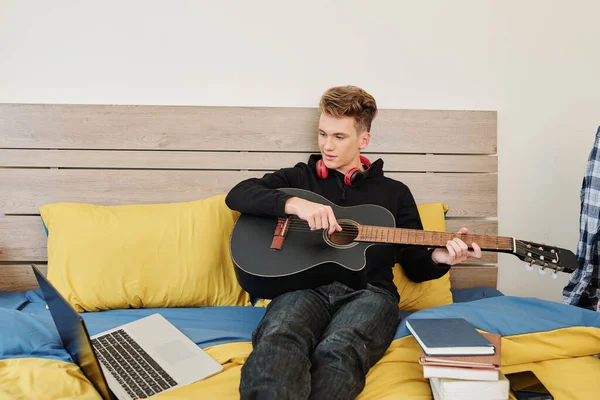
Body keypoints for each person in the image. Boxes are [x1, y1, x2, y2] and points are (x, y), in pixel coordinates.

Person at [225, 85, 482, 400]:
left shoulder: (394, 192)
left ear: (364, 140)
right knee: (279, 337)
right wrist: (294, 204)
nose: (326, 146)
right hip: (303, 289)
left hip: (370, 293)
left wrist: (442, 258)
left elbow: (415, 265)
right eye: (322, 134)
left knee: (342, 348)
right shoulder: (300, 178)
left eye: (338, 137)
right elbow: (239, 194)